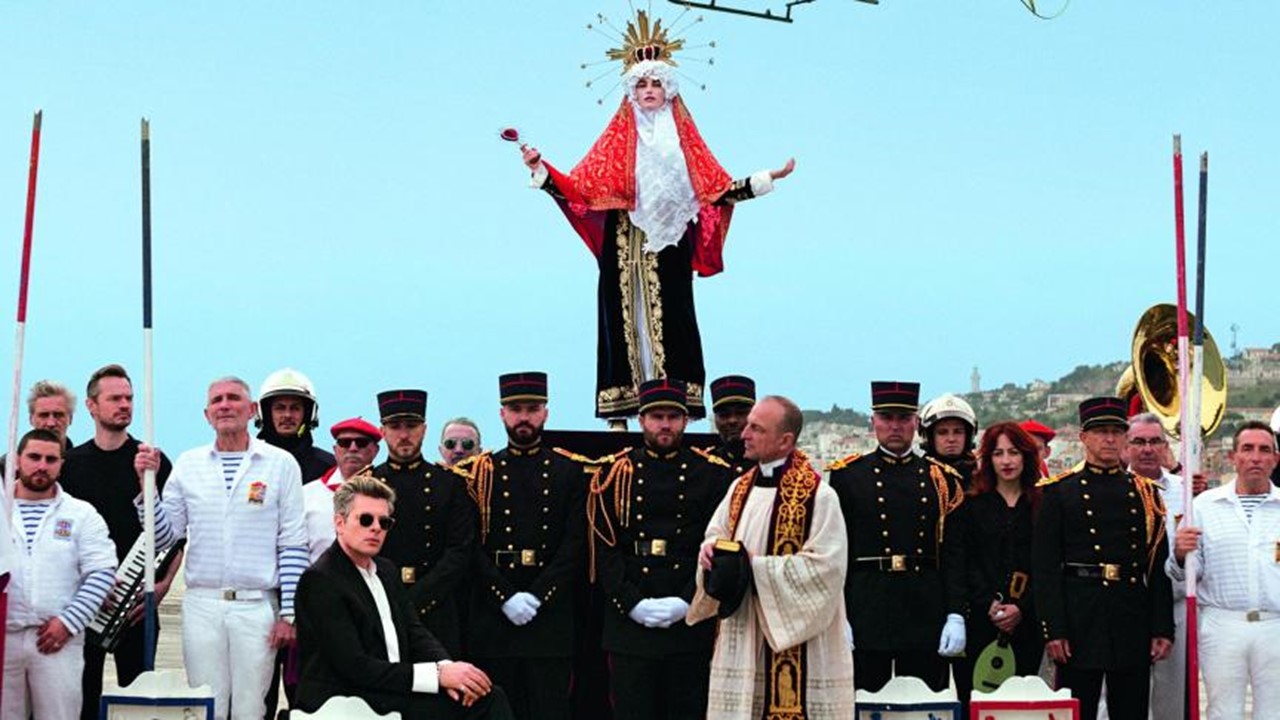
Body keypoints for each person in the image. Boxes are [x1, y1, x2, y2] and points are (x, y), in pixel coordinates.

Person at [520, 11, 794, 421]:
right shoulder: (616, 141)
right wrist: (541, 170)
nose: (650, 90)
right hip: (623, 241)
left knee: (674, 320)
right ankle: (620, 413)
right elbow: (582, 190)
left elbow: (714, 191)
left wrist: (763, 179)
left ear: (669, 89)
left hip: (671, 243)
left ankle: (673, 411)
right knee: (621, 321)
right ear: (632, 91)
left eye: (657, 83)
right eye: (642, 84)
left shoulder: (683, 142)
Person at [134, 376, 308, 720]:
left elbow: (292, 543)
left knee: (251, 707)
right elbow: (165, 536)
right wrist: (147, 487)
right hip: (203, 603)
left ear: (252, 409)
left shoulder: (280, 464)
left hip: (256, 604)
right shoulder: (189, 463)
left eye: (233, 398)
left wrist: (289, 613)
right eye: (217, 400)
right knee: (202, 702)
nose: (225, 405)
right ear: (206, 413)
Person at [688, 395, 855, 719]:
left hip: (796, 639)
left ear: (785, 441)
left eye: (756, 428)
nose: (744, 434)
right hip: (744, 625)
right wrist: (710, 552)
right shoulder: (738, 489)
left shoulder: (819, 496)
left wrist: (754, 568)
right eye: (748, 425)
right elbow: (716, 533)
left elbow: (827, 568)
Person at [295, 474, 513, 720]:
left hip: (389, 689)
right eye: (365, 520)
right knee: (482, 704)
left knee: (488, 695)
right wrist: (436, 676)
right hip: (344, 697)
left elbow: (414, 631)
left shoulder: (386, 570)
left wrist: (447, 668)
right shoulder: (321, 579)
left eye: (384, 522)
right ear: (339, 523)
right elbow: (353, 666)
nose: (375, 528)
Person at [589, 378, 734, 719]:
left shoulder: (713, 476)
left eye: (673, 416)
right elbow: (604, 549)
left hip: (687, 619)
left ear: (686, 420)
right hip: (630, 622)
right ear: (641, 420)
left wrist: (687, 600)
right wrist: (631, 603)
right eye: (656, 416)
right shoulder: (614, 473)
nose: (665, 424)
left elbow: (717, 544)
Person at [1032, 397, 1173, 720]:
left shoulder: (1145, 494)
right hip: (1081, 613)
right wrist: (1053, 629)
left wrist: (1162, 626)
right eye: (1100, 432)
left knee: (1131, 708)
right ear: (1084, 437)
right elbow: (1045, 569)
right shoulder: (1058, 492)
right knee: (1079, 707)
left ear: (1125, 437)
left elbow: (1156, 565)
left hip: (1130, 612)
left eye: (1116, 431)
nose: (1109, 439)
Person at [453, 372, 585, 719]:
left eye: (532, 408)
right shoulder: (479, 473)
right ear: (502, 414)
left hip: (549, 618)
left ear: (545, 413)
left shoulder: (568, 471)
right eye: (515, 409)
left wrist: (538, 595)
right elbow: (469, 546)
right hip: (495, 618)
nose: (523, 417)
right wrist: (505, 596)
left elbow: (574, 545)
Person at [825, 381, 968, 692]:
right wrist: (839, 613)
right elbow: (836, 552)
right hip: (867, 604)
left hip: (923, 605)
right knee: (863, 700)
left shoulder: (941, 479)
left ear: (916, 424)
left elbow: (954, 553)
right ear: (873, 421)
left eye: (903, 419)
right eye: (887, 418)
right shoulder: (848, 476)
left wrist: (956, 613)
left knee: (923, 703)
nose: (895, 427)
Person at [60, 364, 180, 720]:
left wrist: (161, 589)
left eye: (128, 398)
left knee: (141, 702)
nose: (124, 405)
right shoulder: (71, 465)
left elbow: (174, 539)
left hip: (138, 605)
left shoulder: (153, 462)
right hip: (86, 603)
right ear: (92, 406)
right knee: (82, 701)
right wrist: (84, 588)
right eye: (115, 398)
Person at [1169, 420, 1280, 720]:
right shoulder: (1203, 507)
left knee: (1274, 711)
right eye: (1247, 449)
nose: (1256, 457)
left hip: (1275, 624)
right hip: (1222, 623)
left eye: (1264, 450)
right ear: (1233, 457)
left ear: (1275, 459)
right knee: (1222, 710)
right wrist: (1180, 554)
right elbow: (1184, 575)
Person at [3, 429, 117, 720]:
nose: (42, 465)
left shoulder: (82, 514)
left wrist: (68, 622)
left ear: (61, 464)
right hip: (5, 639)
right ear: (17, 460)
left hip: (59, 640)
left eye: (51, 459)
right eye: (34, 457)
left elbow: (102, 573)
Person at [372, 389, 476, 656]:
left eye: (412, 426)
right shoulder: (368, 484)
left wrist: (420, 597)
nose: (404, 435)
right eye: (395, 426)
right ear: (383, 431)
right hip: (382, 606)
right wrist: (392, 599)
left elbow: (459, 550)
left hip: (437, 607)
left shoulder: (450, 483)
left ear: (425, 429)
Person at [961, 422, 1043, 701]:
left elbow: (1047, 564)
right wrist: (987, 603)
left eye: (1013, 452)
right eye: (998, 453)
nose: (1006, 461)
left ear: (1026, 456)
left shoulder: (1043, 503)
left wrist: (1021, 607)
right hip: (982, 621)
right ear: (988, 459)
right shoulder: (972, 504)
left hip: (1028, 622)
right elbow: (965, 561)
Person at [304, 417, 383, 563]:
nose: (353, 448)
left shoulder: (386, 495)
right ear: (335, 450)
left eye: (361, 443)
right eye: (345, 443)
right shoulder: (306, 495)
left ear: (375, 450)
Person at [254, 368, 336, 482]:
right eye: (280, 408)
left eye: (295, 408)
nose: (287, 415)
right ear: (267, 414)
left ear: (307, 414)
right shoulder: (250, 462)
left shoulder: (328, 467)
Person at [2, 380, 77, 477]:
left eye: (58, 415)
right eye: (44, 415)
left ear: (70, 419)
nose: (51, 423)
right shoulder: (8, 468)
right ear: (31, 419)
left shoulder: (82, 465)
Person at [920, 392, 978, 489]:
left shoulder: (984, 476)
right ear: (930, 437)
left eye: (958, 432)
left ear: (968, 436)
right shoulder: (919, 476)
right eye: (942, 432)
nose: (951, 439)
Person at [704, 374, 755, 477]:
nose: (732, 420)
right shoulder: (704, 466)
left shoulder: (770, 461)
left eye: (741, 413)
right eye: (724, 415)